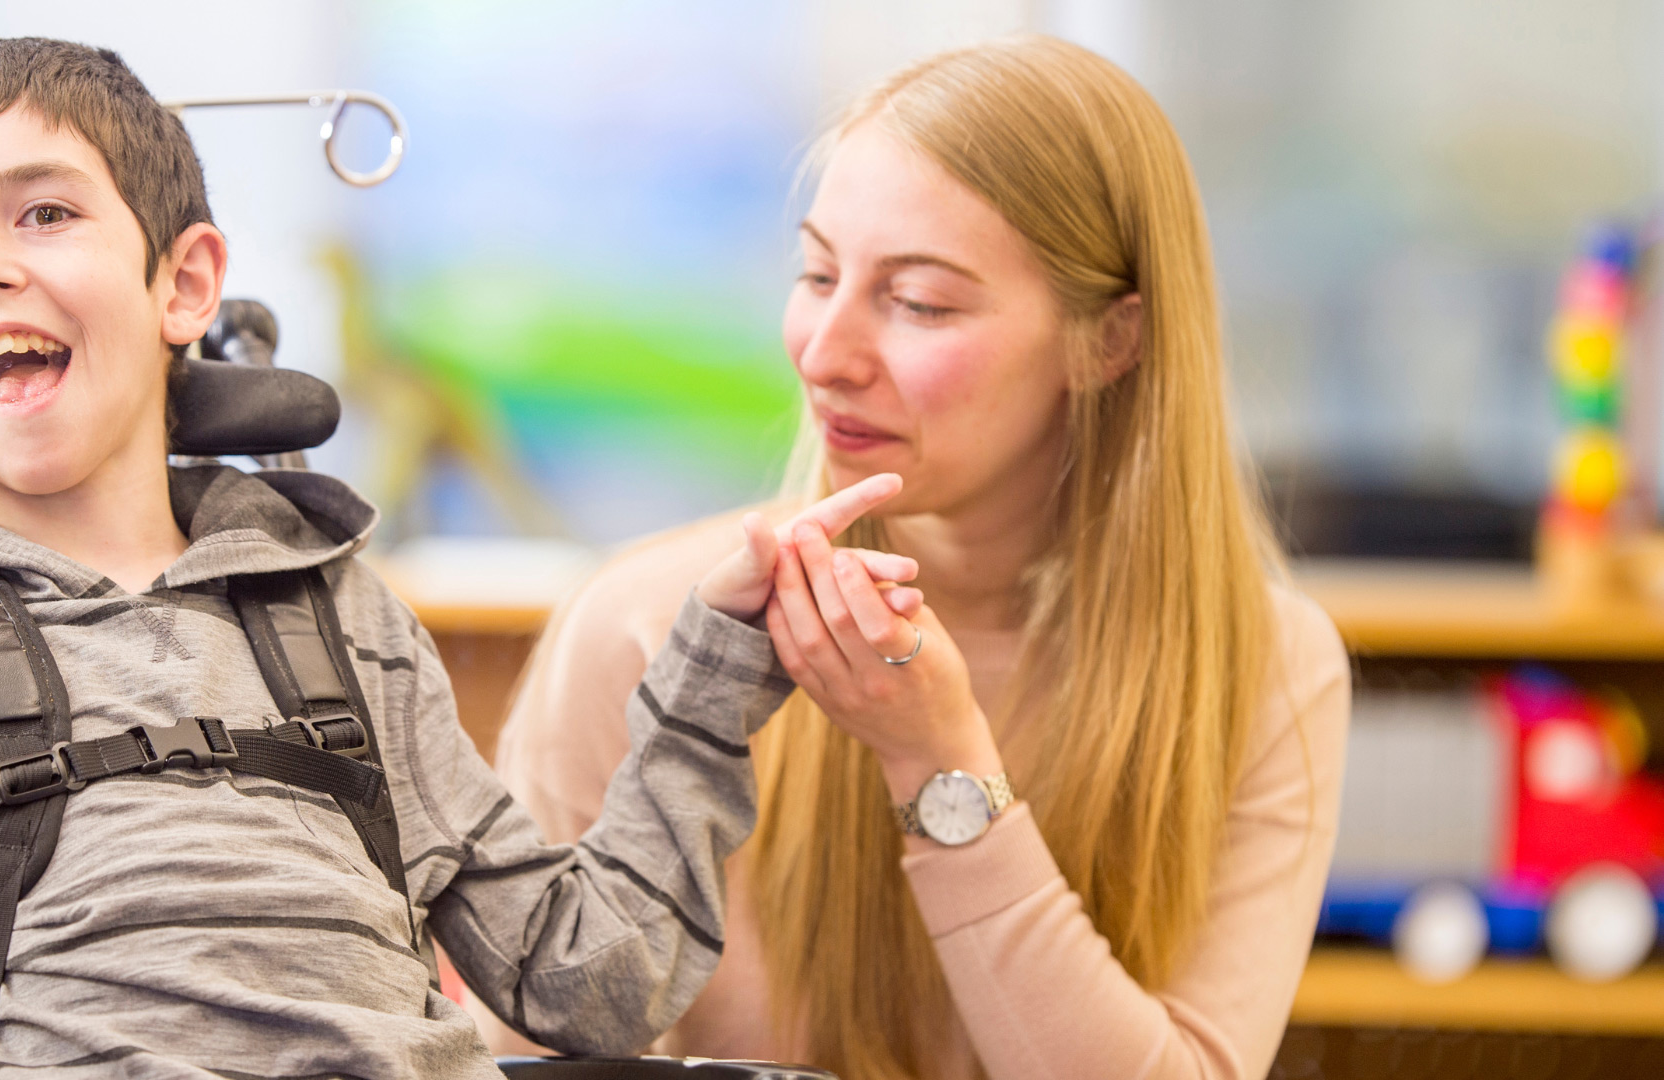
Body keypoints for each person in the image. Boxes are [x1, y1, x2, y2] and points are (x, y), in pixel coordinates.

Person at [0, 37, 911, 1079]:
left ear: (185, 283)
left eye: (45, 214)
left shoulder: (342, 623)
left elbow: (588, 983)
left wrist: (712, 674)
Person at [482, 36, 1350, 1080]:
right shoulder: (642, 625)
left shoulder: (1265, 669)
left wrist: (941, 768)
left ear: (1109, 342)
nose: (823, 353)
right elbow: (515, 1058)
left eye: (921, 303)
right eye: (816, 275)